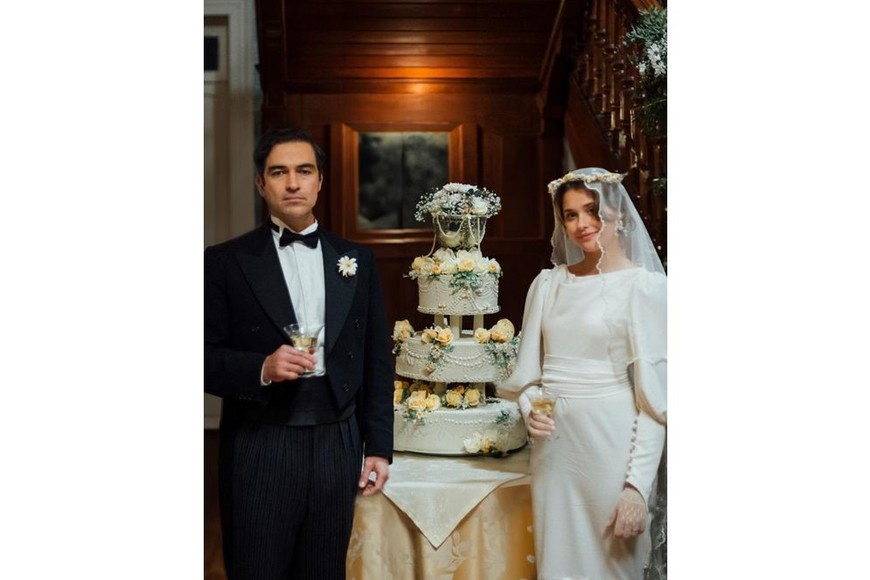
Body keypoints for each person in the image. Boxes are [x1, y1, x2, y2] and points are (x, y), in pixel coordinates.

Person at [205, 126, 394, 579]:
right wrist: (262, 367)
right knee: (257, 569)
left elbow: (375, 361)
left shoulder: (357, 260)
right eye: (279, 172)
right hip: (261, 439)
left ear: (320, 181)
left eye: (304, 171)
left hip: (338, 438)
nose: (292, 183)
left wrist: (378, 448)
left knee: (324, 570)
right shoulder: (224, 261)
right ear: (261, 183)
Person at [498, 168, 666, 579]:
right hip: (554, 453)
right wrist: (529, 408)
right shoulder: (549, 284)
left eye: (592, 211)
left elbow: (656, 403)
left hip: (612, 449)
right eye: (570, 215)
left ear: (619, 213)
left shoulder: (645, 288)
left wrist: (636, 488)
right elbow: (527, 378)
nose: (582, 224)